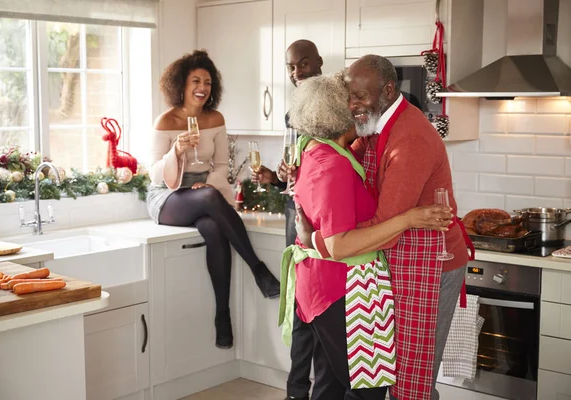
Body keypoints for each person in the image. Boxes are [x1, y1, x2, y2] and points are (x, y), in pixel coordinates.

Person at [296, 55, 473, 400]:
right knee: (389, 377)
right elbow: (345, 158)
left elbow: (384, 225)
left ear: (389, 90)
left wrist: (314, 238)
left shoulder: (410, 140)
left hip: (429, 266)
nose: (353, 105)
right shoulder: (373, 128)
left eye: (360, 97)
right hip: (397, 261)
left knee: (411, 381)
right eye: (348, 97)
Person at [146, 50, 281, 350]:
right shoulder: (166, 122)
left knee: (213, 227)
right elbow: (155, 175)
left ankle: (223, 316)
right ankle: (258, 269)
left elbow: (222, 167)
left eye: (207, 82)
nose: (203, 87)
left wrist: (207, 184)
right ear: (181, 84)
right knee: (207, 200)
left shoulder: (215, 118)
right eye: (196, 80)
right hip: (168, 195)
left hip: (205, 191)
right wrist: (176, 152)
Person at [251, 39, 323, 400]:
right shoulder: (292, 112)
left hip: (324, 214)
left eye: (303, 64)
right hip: (296, 211)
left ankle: (323, 389)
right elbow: (294, 168)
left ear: (319, 63)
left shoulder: (332, 107)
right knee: (299, 299)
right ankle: (296, 391)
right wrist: (278, 174)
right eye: (291, 67)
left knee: (321, 305)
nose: (296, 73)